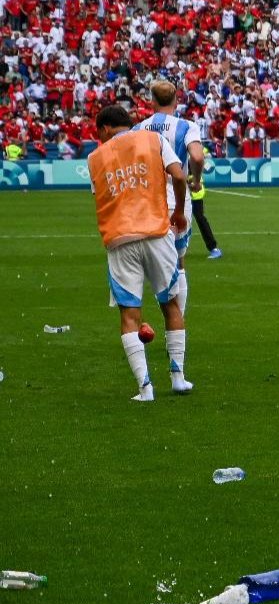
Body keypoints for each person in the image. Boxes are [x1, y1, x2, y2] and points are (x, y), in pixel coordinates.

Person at [86, 105, 193, 402]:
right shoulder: (153, 140)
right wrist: (180, 212)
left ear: (106, 128)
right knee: (170, 304)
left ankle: (145, 389)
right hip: (157, 232)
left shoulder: (95, 159)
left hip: (120, 238)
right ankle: (178, 377)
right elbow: (179, 176)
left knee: (130, 315)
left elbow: (101, 195)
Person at [132, 80, 205, 314]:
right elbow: (197, 156)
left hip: (148, 200)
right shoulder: (186, 126)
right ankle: (177, 322)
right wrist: (195, 179)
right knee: (179, 261)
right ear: (176, 100)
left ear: (152, 102)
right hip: (177, 198)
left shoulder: (140, 128)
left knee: (147, 261)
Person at [189, 148, 222, 259]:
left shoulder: (195, 147)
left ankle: (213, 248)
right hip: (180, 187)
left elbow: (204, 157)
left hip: (194, 189)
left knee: (200, 218)